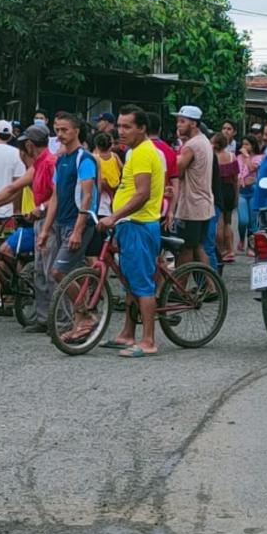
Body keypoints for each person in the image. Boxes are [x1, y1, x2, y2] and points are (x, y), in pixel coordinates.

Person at [99, 106, 165, 358]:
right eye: (119, 126)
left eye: (127, 126)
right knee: (129, 283)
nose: (121, 131)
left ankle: (148, 340)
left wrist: (115, 215)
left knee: (142, 284)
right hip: (129, 224)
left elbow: (142, 193)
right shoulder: (133, 152)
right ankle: (127, 333)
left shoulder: (143, 153)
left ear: (142, 128)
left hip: (139, 224)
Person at [0, 124, 56, 322]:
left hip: (49, 224)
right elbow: (12, 188)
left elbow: (60, 195)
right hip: (36, 222)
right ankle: (39, 315)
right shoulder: (37, 165)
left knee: (46, 272)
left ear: (29, 147)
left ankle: (21, 300)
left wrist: (40, 209)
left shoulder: (49, 163)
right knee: (37, 270)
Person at [44, 115, 99, 337]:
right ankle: (79, 326)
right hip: (62, 222)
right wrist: (46, 228)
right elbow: (55, 197)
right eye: (57, 130)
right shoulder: (61, 160)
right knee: (72, 274)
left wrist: (78, 229)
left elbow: (87, 196)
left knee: (58, 271)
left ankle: (86, 314)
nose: (59, 134)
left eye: (64, 130)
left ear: (77, 131)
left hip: (80, 223)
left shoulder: (84, 159)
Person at [170, 105, 215, 268]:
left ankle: (179, 288)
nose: (178, 125)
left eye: (182, 121)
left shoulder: (191, 146)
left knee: (186, 249)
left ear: (194, 124)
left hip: (191, 206)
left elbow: (177, 171)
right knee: (198, 246)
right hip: (203, 204)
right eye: (178, 121)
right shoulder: (204, 141)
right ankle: (211, 286)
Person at [213, 133, 239, 264]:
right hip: (229, 190)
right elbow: (236, 179)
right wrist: (236, 195)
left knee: (219, 223)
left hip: (217, 191)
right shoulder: (231, 156)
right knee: (228, 222)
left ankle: (221, 250)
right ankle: (230, 250)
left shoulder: (213, 158)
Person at [235, 135, 261, 255]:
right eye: (243, 144)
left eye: (247, 144)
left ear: (253, 145)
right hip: (241, 191)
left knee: (252, 221)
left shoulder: (259, 157)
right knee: (243, 220)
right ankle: (241, 239)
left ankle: (251, 247)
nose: (244, 147)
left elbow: (251, 168)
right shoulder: (237, 157)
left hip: (254, 190)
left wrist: (246, 156)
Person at [93, 131, 122, 218]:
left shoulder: (95, 157)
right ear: (111, 145)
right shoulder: (115, 156)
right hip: (114, 186)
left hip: (102, 191)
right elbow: (121, 167)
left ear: (97, 146)